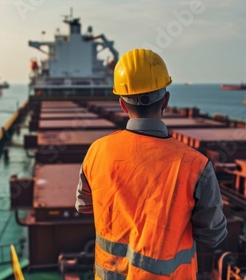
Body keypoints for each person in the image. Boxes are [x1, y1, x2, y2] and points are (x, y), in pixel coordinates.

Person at [75, 49, 227, 279]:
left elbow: (83, 206)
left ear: (122, 105)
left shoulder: (96, 151)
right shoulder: (196, 165)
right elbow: (212, 236)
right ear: (165, 101)